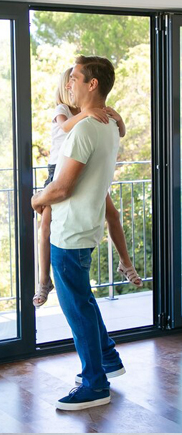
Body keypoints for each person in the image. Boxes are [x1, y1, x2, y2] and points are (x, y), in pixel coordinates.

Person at [31, 56, 126, 410]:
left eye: (75, 78)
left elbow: (62, 188)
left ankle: (94, 384)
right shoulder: (109, 126)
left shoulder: (85, 129)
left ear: (92, 84)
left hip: (69, 232)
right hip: (86, 226)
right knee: (83, 300)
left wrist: (36, 199)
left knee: (77, 309)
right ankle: (108, 359)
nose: (69, 83)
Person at [33, 68, 142, 308]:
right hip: (58, 172)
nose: (71, 86)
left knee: (113, 215)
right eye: (69, 82)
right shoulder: (63, 111)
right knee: (46, 225)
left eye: (74, 81)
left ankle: (125, 262)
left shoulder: (94, 114)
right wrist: (87, 113)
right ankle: (43, 280)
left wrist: (118, 119)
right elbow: (65, 128)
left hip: (84, 172)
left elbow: (121, 133)